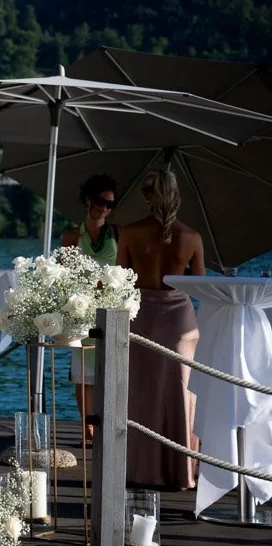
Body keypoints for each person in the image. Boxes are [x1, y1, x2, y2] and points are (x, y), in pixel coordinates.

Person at [118, 168, 205, 491]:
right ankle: (181, 471)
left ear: (146, 198)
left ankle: (143, 469)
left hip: (142, 316)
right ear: (177, 197)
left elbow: (121, 280)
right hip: (181, 319)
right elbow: (200, 285)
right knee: (181, 393)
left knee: (143, 392)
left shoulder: (129, 232)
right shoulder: (192, 237)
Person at [60, 174, 120, 445]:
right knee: (83, 375)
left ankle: (108, 427)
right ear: (88, 200)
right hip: (81, 309)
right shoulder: (72, 236)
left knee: (110, 373)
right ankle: (87, 431)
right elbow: (63, 277)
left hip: (112, 309)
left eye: (110, 204)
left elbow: (127, 270)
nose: (104, 208)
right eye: (100, 201)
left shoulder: (118, 234)